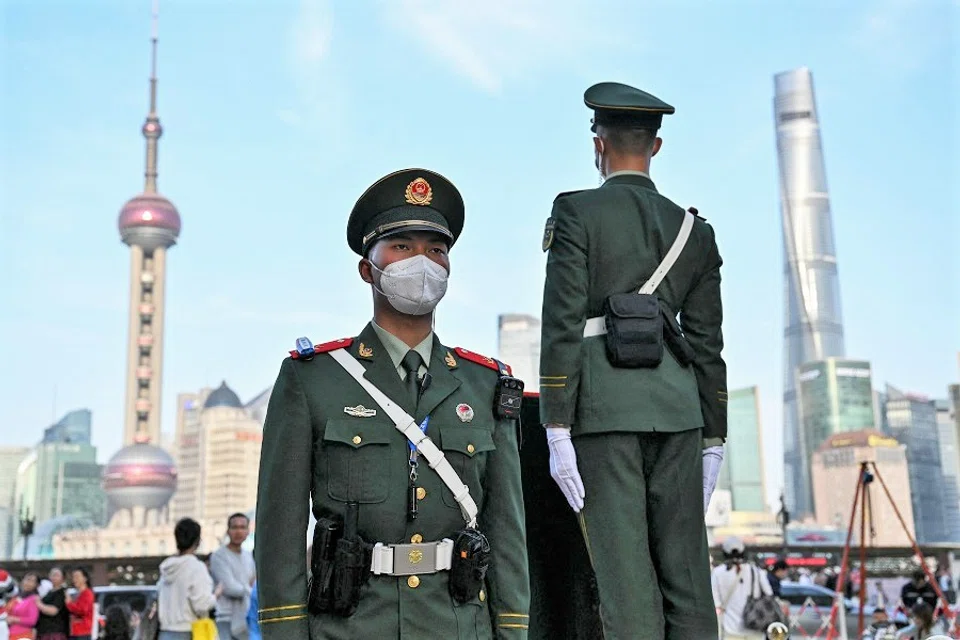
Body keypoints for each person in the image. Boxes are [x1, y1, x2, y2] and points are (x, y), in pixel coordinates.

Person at [255, 168, 530, 639]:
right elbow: (279, 532)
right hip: (352, 626)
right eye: (402, 246)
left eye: (436, 250)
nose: (421, 261)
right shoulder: (313, 379)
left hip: (459, 626)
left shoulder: (484, 384)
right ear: (368, 268)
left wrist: (512, 630)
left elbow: (507, 531)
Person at [538, 81, 726, 638]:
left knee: (626, 583)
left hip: (603, 415)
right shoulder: (696, 232)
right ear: (657, 147)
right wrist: (714, 437)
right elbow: (709, 344)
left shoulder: (575, 212)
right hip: (681, 416)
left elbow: (562, 323)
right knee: (689, 582)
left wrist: (555, 426)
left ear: (598, 144)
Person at [157, 518, 222, 640]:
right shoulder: (196, 567)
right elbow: (202, 605)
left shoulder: (166, 568)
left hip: (165, 632)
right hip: (189, 632)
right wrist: (216, 595)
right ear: (197, 541)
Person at [712, 538, 774, 640]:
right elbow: (769, 593)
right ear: (743, 552)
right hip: (755, 625)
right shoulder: (757, 571)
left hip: (730, 628)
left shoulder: (717, 572)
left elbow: (715, 601)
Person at [209, 513, 255, 640]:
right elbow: (230, 588)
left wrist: (247, 589)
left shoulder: (248, 556)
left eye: (242, 527)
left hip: (246, 617)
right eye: (234, 527)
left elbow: (253, 581)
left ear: (248, 531)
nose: (238, 531)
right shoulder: (218, 556)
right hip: (226, 619)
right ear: (228, 531)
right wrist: (249, 590)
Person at [35, 567, 70, 640]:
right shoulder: (48, 592)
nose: (54, 577)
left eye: (56, 575)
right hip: (43, 631)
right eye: (52, 574)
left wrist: (39, 604)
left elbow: (53, 611)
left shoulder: (62, 593)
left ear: (63, 578)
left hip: (55, 631)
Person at [4, 572, 39, 640]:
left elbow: (32, 621)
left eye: (32, 581)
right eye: (27, 579)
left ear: (36, 585)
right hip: (9, 634)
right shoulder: (15, 597)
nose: (28, 583)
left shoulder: (33, 599)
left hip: (23, 634)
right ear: (22, 580)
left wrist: (13, 619)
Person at [64, 568, 93, 640]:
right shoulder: (77, 594)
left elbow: (82, 610)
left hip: (83, 632)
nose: (74, 579)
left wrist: (69, 603)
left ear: (85, 578)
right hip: (75, 632)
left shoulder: (87, 593)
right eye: (73, 577)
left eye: (77, 576)